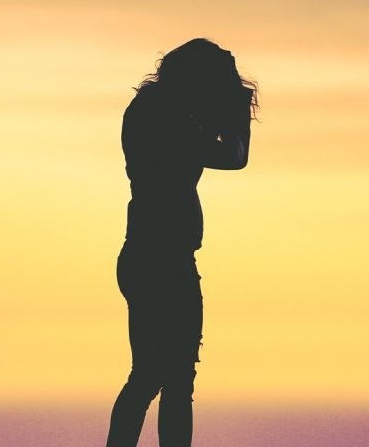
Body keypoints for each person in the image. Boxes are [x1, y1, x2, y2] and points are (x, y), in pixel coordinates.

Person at [105, 38, 257, 446]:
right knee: (159, 376)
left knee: (164, 376)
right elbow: (234, 157)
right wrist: (236, 111)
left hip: (155, 253)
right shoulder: (166, 115)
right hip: (159, 258)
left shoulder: (157, 109)